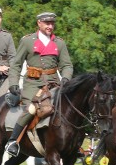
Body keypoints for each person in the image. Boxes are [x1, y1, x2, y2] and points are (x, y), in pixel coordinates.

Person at [5, 12, 74, 156]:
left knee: (66, 108)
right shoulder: (27, 41)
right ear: (39, 23)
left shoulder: (59, 43)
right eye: (47, 23)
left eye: (52, 23)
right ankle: (13, 141)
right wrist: (13, 83)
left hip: (53, 84)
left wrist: (66, 78)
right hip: (33, 84)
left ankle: (73, 145)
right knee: (32, 109)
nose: (50, 26)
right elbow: (16, 64)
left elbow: (67, 65)